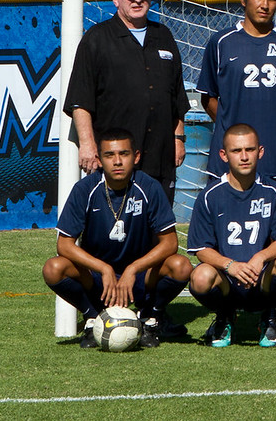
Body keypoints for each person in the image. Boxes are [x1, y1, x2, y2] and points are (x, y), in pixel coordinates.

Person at [43, 127, 191, 348]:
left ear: (136, 156)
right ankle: (92, 318)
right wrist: (103, 268)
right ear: (99, 160)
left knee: (181, 266)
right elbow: (64, 244)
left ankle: (150, 318)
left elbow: (170, 242)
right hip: (98, 277)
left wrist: (133, 269)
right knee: (53, 268)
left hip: (140, 276)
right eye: (110, 155)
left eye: (124, 154)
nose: (118, 161)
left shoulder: (148, 187)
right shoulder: (85, 189)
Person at [64, 0, 188, 197]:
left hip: (159, 157)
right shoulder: (97, 38)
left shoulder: (164, 35)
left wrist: (178, 138)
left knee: (157, 227)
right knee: (111, 227)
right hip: (114, 160)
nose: (138, 0)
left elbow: (177, 97)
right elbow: (80, 100)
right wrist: (87, 144)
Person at [198, 0, 276, 209]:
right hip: (233, 154)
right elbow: (209, 98)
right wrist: (232, 124)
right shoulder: (221, 42)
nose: (265, 5)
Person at [185, 124, 276, 347]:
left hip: (261, 277)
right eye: (237, 151)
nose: (244, 157)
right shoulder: (209, 196)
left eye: (250, 149)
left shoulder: (275, 192)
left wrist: (259, 258)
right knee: (200, 278)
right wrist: (231, 265)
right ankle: (225, 315)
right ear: (223, 155)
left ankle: (271, 316)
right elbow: (201, 248)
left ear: (261, 151)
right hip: (227, 279)